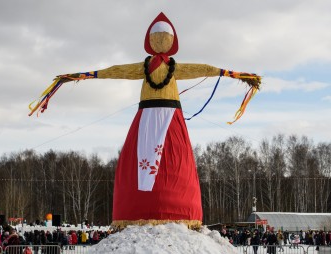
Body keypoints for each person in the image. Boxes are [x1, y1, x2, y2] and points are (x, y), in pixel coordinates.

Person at [32, 12, 260, 229]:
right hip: (150, 115)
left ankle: (170, 207)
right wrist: (84, 75)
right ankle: (145, 205)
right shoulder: (146, 68)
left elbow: (202, 69)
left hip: (169, 115)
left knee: (171, 161)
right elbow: (117, 71)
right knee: (148, 160)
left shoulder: (173, 67)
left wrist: (233, 74)